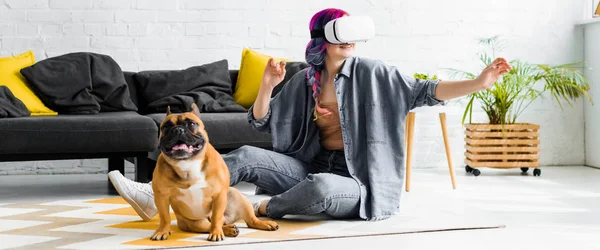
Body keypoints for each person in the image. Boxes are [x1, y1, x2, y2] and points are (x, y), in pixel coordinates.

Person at [108, 8, 511, 222]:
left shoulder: (374, 73)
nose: (349, 40)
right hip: (309, 165)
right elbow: (260, 122)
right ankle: (153, 194)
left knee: (319, 187)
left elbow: (426, 91)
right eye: (341, 33)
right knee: (247, 154)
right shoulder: (305, 81)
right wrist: (267, 83)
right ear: (324, 41)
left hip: (358, 183)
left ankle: (259, 209)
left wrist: (478, 82)